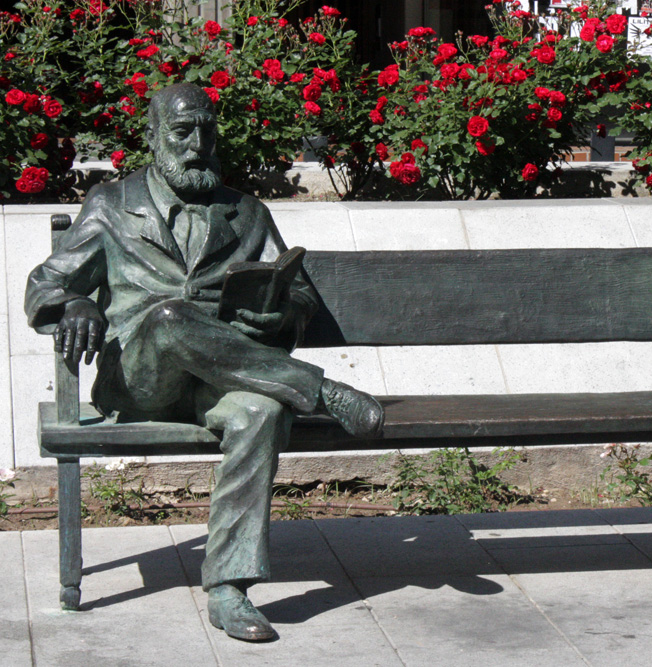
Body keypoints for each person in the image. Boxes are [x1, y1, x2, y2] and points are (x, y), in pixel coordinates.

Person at [25, 83, 384, 642]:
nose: (197, 143)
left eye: (207, 130)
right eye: (182, 131)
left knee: (260, 412)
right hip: (141, 380)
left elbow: (301, 297)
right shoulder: (112, 205)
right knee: (170, 318)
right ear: (152, 138)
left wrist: (279, 313)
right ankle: (322, 392)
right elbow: (43, 284)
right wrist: (73, 303)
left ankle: (229, 589)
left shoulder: (246, 213)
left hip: (221, 378)